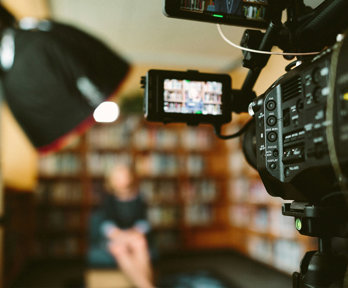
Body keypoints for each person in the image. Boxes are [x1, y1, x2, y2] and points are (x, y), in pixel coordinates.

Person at [88, 163, 154, 288]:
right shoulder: (108, 199)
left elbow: (144, 222)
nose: (120, 181)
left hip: (134, 235)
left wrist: (133, 233)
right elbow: (106, 224)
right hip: (116, 236)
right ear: (111, 181)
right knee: (119, 249)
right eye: (117, 178)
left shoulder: (139, 198)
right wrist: (120, 235)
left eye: (123, 176)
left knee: (139, 243)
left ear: (129, 178)